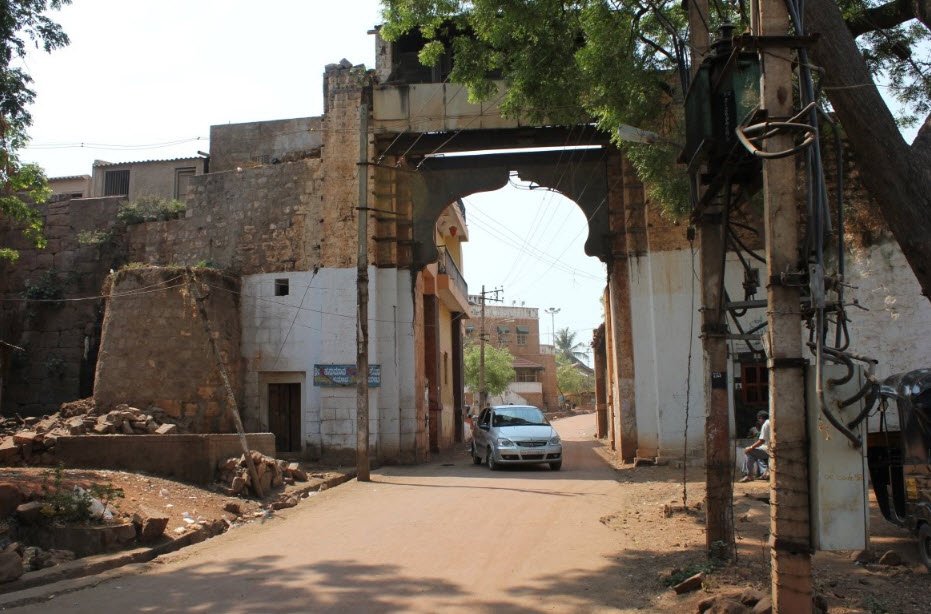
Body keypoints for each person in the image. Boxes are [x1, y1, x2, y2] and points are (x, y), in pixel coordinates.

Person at [740, 411, 770, 482]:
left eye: (759, 419)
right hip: (768, 447)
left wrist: (751, 447)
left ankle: (749, 475)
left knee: (748, 451)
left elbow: (761, 440)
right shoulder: (770, 422)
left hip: (768, 449)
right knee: (755, 454)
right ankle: (765, 473)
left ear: (760, 418)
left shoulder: (766, 424)